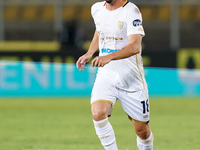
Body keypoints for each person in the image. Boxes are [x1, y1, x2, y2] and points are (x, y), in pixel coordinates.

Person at [76, 0, 154, 149]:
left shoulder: (131, 11)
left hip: (131, 78)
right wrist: (90, 52)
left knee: (142, 132)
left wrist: (108, 56)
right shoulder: (97, 8)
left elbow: (135, 46)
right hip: (106, 74)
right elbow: (100, 31)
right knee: (98, 114)